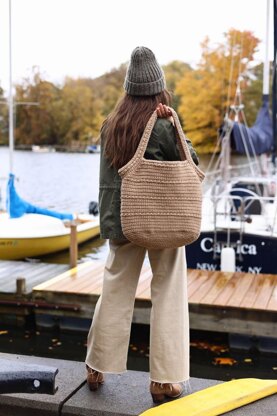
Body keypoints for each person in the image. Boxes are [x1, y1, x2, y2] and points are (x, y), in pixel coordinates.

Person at [85, 46, 199, 403]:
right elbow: (191, 162)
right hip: (162, 219)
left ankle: (96, 365)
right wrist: (173, 122)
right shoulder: (163, 123)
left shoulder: (111, 124)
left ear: (128, 88)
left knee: (115, 287)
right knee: (168, 290)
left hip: (121, 220)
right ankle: (163, 381)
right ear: (159, 87)